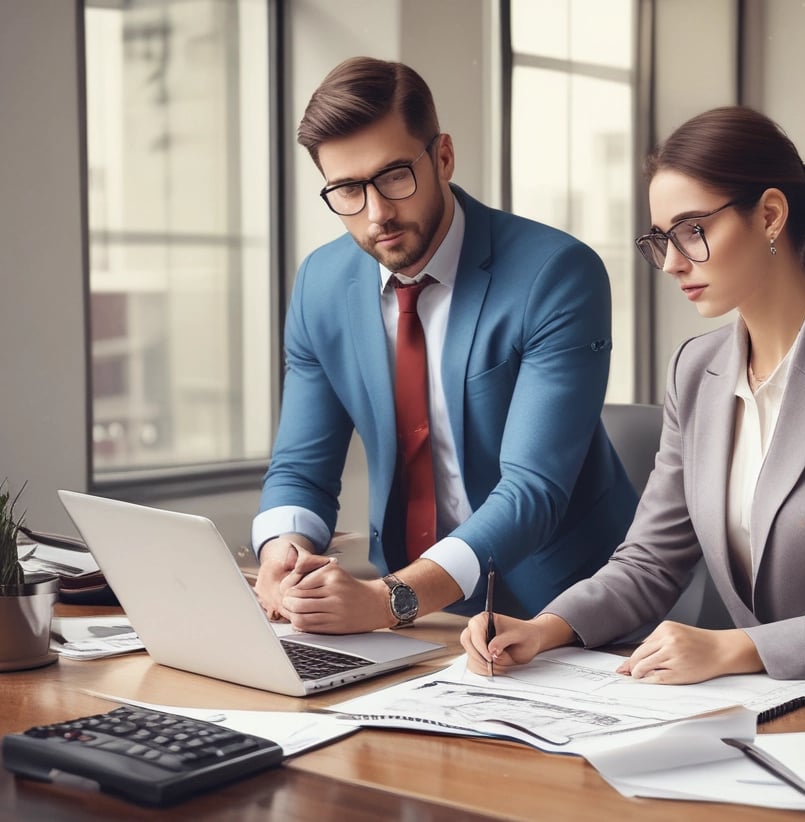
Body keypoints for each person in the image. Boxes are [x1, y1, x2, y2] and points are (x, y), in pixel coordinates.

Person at [461, 106, 805, 701]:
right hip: (788, 700)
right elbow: (648, 563)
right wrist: (544, 629)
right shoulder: (697, 370)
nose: (672, 262)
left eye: (692, 230)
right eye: (660, 239)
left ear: (770, 215)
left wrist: (731, 647)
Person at [252, 56, 638, 634]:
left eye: (394, 177)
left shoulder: (556, 274)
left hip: (564, 613)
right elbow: (301, 468)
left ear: (444, 157)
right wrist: (281, 549)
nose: (377, 212)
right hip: (412, 615)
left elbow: (532, 490)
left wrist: (389, 598)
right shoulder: (321, 285)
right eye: (348, 191)